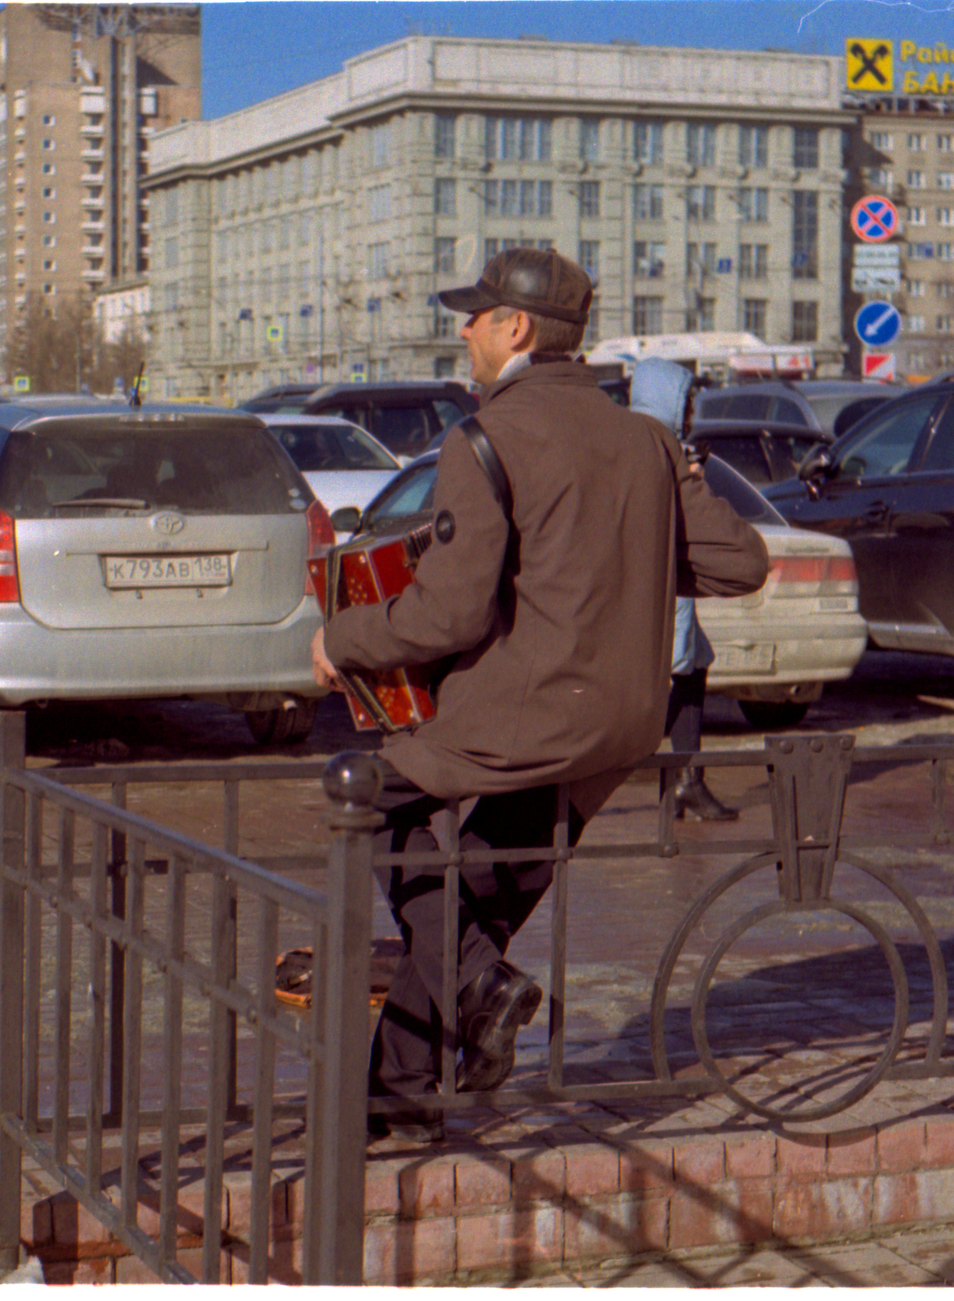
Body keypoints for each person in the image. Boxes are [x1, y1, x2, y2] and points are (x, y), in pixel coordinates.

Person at [309, 249, 769, 1141]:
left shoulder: (484, 437)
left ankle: (482, 990)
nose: (464, 331)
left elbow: (446, 613)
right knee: (473, 897)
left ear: (515, 329)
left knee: (376, 802)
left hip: (522, 716)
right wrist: (649, 514)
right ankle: (399, 1096)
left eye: (475, 317)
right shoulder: (647, 438)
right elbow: (740, 561)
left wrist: (341, 639)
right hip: (622, 726)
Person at [628, 359, 740, 822]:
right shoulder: (645, 445)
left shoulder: (659, 443)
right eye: (688, 399)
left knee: (693, 664)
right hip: (651, 581)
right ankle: (673, 784)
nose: (694, 408)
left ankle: (686, 783)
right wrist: (687, 481)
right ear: (670, 400)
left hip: (671, 577)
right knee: (670, 668)